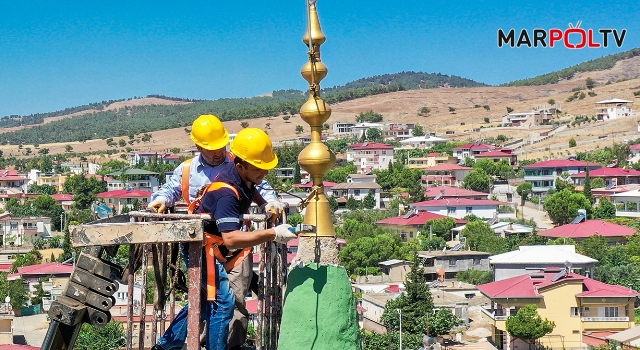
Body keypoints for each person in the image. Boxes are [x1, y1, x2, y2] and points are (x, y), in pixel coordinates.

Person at [153, 128, 297, 350]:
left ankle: (165, 346)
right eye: (259, 170)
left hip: (211, 243)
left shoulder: (240, 172)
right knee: (223, 303)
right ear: (240, 165)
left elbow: (252, 188)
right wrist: (273, 233)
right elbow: (230, 239)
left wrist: (263, 203)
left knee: (202, 299)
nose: (263, 174)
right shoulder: (227, 193)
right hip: (203, 246)